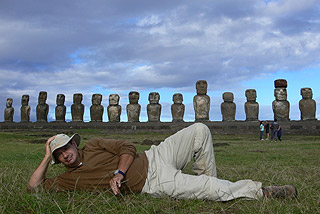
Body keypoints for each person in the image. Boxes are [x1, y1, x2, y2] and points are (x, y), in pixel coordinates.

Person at [28, 123, 297, 201]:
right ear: (57, 160)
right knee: (204, 186)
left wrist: (119, 172)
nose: (65, 154)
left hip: (155, 155)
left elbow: (127, 146)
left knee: (199, 131)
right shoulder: (64, 179)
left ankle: (213, 186)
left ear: (74, 143)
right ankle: (262, 191)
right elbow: (33, 188)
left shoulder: (95, 143)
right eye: (59, 155)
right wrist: (44, 156)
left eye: (66, 147)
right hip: (153, 181)